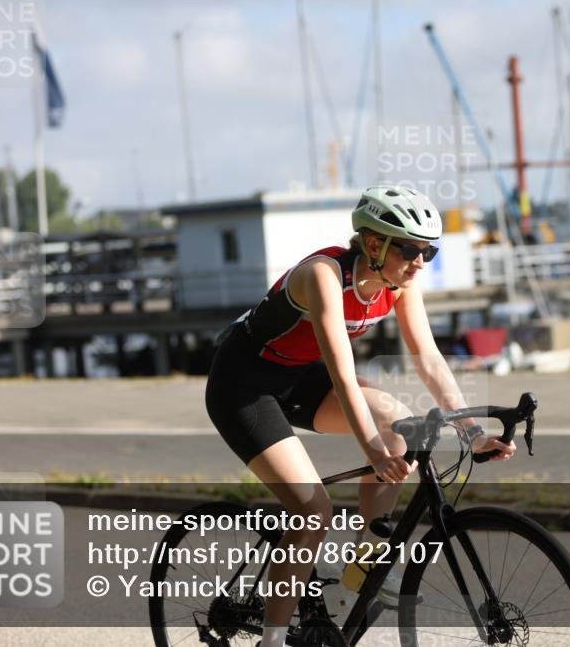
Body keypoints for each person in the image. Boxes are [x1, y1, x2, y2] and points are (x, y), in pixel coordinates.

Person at [205, 185, 516, 647]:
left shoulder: (399, 284)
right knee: (312, 512)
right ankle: (271, 641)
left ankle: (366, 562)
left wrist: (471, 432)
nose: (419, 263)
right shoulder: (323, 275)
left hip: (298, 379)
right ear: (374, 244)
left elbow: (428, 359)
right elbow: (344, 376)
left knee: (400, 426)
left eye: (428, 252)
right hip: (243, 386)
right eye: (410, 250)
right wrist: (371, 448)